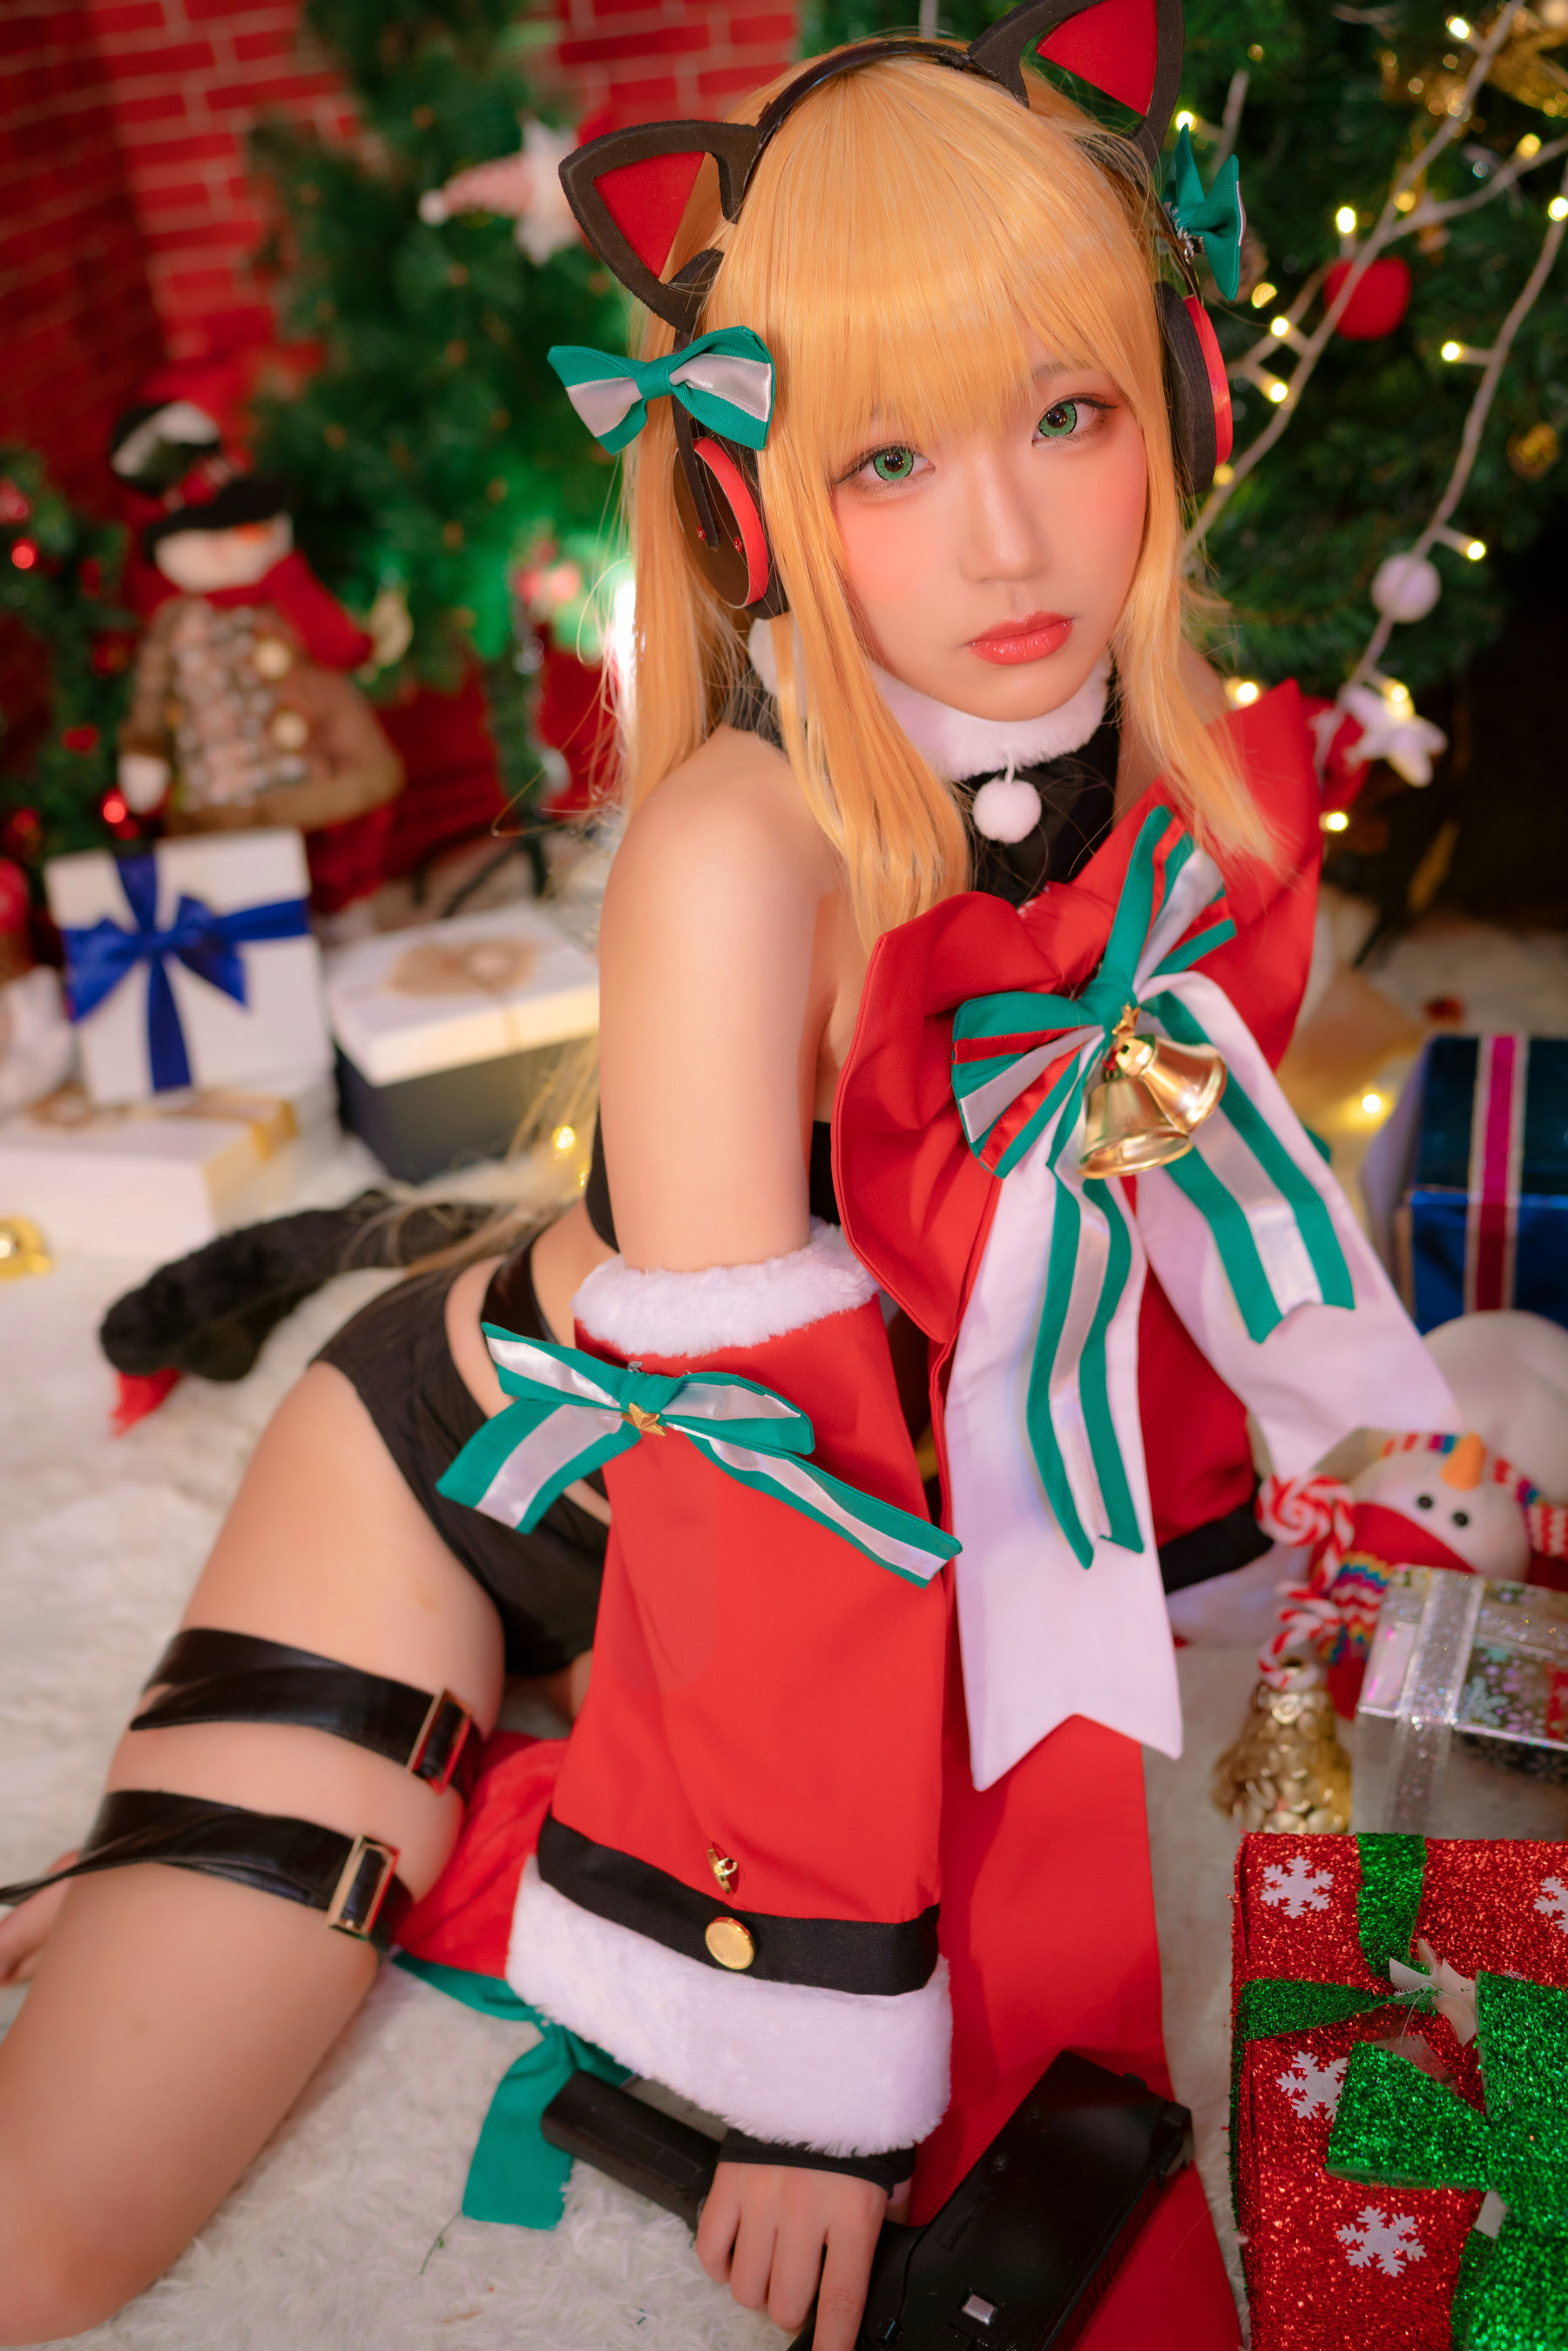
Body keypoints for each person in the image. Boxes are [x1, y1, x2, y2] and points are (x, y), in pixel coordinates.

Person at [0, 17, 1456, 2348]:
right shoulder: (737, 858)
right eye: (888, 454)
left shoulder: (1174, 759)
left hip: (862, 1517)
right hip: (500, 1487)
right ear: (758, 496)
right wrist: (800, 2035)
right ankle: (208, 1841)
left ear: (1176, 407)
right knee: (49, 2245)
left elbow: (1158, 1201)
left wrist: (1347, 1479)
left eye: (1067, 414)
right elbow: (749, 1480)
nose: (1007, 540)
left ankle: (400, 1821)